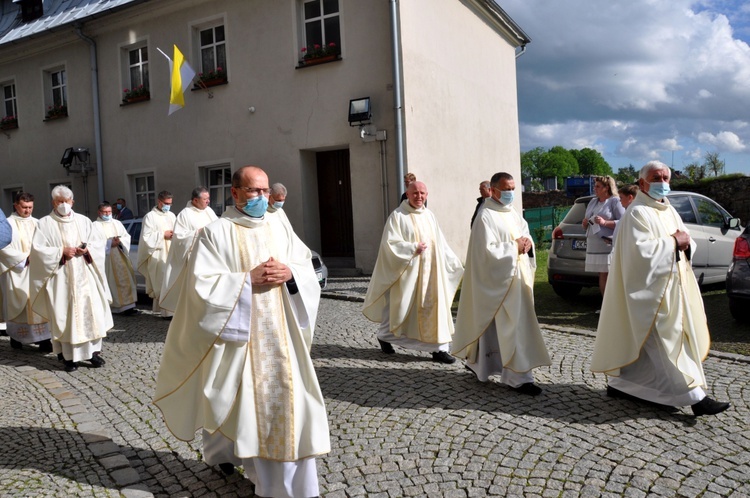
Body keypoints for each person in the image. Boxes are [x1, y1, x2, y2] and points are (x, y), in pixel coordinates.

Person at [153, 166, 329, 497]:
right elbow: (200, 289)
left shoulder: (278, 225)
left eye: (264, 191)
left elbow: (306, 263)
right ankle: (258, 475)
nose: (262, 198)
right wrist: (246, 280)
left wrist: (291, 273)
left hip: (284, 336)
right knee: (246, 407)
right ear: (234, 193)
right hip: (241, 339)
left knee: (291, 403)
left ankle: (292, 485)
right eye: (254, 191)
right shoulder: (216, 232)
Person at [590, 161, 730, 417]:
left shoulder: (668, 210)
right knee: (665, 342)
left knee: (644, 345)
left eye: (666, 177)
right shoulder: (637, 213)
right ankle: (696, 399)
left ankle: (622, 385)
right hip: (648, 292)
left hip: (672, 286)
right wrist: (673, 242)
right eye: (656, 177)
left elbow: (685, 239)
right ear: (642, 183)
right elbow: (639, 253)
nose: (662, 182)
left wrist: (685, 245)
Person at [452, 172, 551, 395]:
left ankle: (480, 364)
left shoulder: (512, 213)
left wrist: (527, 243)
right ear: (494, 190)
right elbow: (485, 253)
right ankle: (519, 377)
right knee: (510, 327)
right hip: (499, 281)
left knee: (503, 327)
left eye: (513, 188)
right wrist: (513, 247)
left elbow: (524, 234)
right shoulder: (485, 216)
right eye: (506, 189)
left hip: (517, 280)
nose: (510, 193)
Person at [363, 181, 464, 364]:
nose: (419, 196)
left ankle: (439, 349)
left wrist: (453, 262)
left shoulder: (429, 215)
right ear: (407, 195)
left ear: (427, 194)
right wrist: (411, 248)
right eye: (415, 193)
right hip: (408, 273)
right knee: (400, 308)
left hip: (432, 273)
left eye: (422, 193)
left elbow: (440, 242)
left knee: (435, 309)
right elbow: (389, 245)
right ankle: (385, 336)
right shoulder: (398, 216)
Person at [29, 185, 112, 372]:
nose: (64, 205)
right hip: (61, 278)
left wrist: (87, 249)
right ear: (53, 202)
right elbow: (38, 251)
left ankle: (93, 354)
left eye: (67, 201)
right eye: (60, 201)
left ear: (73, 202)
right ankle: (68, 358)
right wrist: (61, 252)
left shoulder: (84, 221)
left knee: (91, 313)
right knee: (65, 316)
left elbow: (97, 243)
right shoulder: (44, 224)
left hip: (85, 275)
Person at [0, 192, 51, 351]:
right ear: (16, 205)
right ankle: (17, 337)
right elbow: (2, 246)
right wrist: (24, 258)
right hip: (17, 272)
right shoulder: (7, 224)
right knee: (20, 305)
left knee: (40, 303)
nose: (27, 210)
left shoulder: (38, 223)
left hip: (37, 273)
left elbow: (47, 245)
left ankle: (44, 340)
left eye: (30, 207)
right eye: (24, 207)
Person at [159, 187, 218, 312]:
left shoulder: (209, 211)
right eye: (205, 199)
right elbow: (179, 238)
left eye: (208, 198)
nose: (208, 201)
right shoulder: (184, 214)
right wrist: (198, 233)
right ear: (195, 200)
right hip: (194, 258)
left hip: (210, 258)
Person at [582, 176, 624, 295]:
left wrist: (605, 222)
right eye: (594, 186)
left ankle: (613, 307)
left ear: (606, 188)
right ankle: (605, 307)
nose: (594, 188)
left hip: (607, 244)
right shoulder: (593, 201)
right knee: (602, 273)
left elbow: (623, 221)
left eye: (598, 186)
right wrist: (585, 223)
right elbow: (587, 222)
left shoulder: (615, 201)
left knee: (610, 274)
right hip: (594, 244)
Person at [93, 202, 138, 315]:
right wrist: (109, 243)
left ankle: (129, 306)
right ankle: (115, 307)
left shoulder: (117, 223)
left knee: (126, 279)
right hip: (106, 259)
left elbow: (126, 236)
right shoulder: (94, 226)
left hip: (120, 254)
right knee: (111, 282)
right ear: (99, 212)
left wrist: (120, 241)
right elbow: (93, 243)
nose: (108, 214)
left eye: (109, 212)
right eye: (105, 212)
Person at [137, 191, 176, 318]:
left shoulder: (172, 215)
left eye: (170, 203)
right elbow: (146, 237)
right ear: (159, 202)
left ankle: (170, 310)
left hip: (171, 252)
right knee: (161, 281)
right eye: (166, 203)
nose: (168, 206)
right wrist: (162, 235)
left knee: (171, 280)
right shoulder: (150, 217)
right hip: (158, 253)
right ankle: (166, 312)